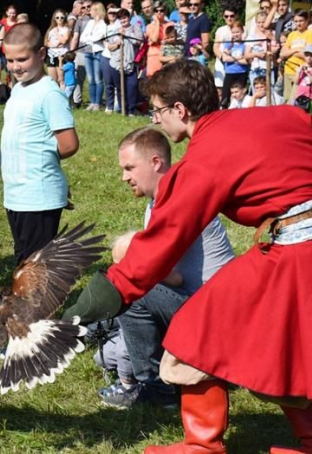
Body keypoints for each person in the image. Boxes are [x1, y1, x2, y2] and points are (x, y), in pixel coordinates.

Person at [64, 59, 312, 453]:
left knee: (195, 328)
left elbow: (165, 239)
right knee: (278, 346)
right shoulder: (285, 115)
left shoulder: (204, 157)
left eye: (159, 111)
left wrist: (102, 296)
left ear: (180, 110)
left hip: (295, 259)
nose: (157, 120)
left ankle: (203, 444)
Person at [100, 126, 234, 409]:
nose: (124, 177)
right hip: (193, 303)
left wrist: (129, 259)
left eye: (129, 167)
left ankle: (156, 388)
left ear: (156, 162)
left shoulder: (181, 199)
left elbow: (166, 275)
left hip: (215, 316)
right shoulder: (159, 200)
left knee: (132, 288)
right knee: (107, 352)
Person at [2, 23, 79, 265]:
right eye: (10, 60)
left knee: (34, 269)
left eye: (22, 59)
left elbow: (68, 144)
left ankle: (37, 305)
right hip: (16, 193)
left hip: (38, 195)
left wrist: (42, 159)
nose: (15, 67)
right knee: (24, 261)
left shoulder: (49, 93)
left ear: (42, 54)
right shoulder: (19, 89)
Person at [279, 10, 312, 104]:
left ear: (307, 21)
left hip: (300, 70)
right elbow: (282, 53)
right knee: (287, 98)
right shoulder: (291, 34)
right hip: (288, 69)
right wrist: (296, 50)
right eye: (296, 21)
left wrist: (290, 52)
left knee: (295, 98)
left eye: (301, 21)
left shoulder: (309, 33)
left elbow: (307, 55)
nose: (298, 24)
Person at [80, 2, 107, 110]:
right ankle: (92, 102)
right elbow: (82, 37)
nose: (89, 11)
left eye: (91, 9)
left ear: (96, 10)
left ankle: (97, 102)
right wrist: (91, 39)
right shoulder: (90, 22)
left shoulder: (103, 24)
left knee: (98, 78)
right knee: (90, 78)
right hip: (88, 52)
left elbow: (99, 37)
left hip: (98, 52)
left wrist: (90, 39)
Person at [220, 21, 250, 108]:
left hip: (242, 72)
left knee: (241, 94)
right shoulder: (228, 44)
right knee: (226, 94)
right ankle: (224, 108)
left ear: (242, 32)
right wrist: (239, 58)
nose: (235, 34)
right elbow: (225, 58)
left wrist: (232, 57)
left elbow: (246, 61)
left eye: (237, 32)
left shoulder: (245, 45)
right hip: (230, 73)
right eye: (233, 32)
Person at [69, 0, 92, 108]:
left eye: (89, 6)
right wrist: (72, 52)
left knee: (94, 79)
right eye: (83, 7)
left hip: (95, 52)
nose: (86, 9)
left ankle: (94, 101)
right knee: (79, 78)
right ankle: (77, 101)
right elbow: (75, 37)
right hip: (81, 52)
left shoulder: (100, 20)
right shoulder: (80, 21)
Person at [212, 5, 237, 92]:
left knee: (235, 89)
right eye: (226, 16)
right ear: (223, 17)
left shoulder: (242, 29)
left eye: (232, 16)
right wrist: (222, 58)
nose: (229, 18)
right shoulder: (220, 30)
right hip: (221, 63)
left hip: (236, 64)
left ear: (236, 16)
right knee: (220, 90)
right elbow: (215, 47)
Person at [145, 2, 173, 77]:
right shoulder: (149, 26)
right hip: (153, 57)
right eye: (156, 11)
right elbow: (154, 39)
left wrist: (162, 42)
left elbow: (173, 40)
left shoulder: (170, 25)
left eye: (161, 10)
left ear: (165, 12)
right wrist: (157, 23)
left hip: (167, 56)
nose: (159, 12)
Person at [46, 9, 71, 84]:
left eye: (61, 17)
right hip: (51, 55)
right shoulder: (50, 29)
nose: (59, 19)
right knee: (53, 80)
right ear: (54, 18)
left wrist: (57, 33)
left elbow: (64, 40)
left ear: (64, 18)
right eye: (57, 17)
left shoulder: (67, 29)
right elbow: (46, 41)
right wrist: (51, 44)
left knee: (61, 79)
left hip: (62, 55)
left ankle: (63, 94)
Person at [295, 44, 312, 115]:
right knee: (300, 117)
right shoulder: (301, 66)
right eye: (307, 55)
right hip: (301, 97)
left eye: (311, 55)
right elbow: (296, 82)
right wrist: (298, 72)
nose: (309, 57)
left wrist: (308, 73)